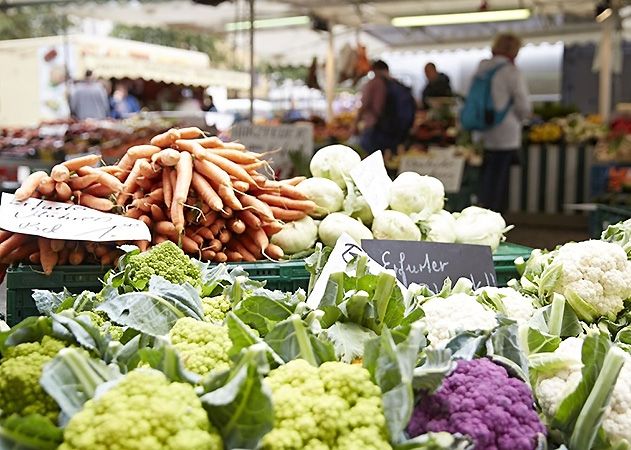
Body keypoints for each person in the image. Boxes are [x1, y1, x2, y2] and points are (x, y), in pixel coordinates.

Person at [476, 32, 532, 213]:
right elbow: (522, 104)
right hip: (506, 133)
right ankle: (495, 216)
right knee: (500, 180)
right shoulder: (511, 71)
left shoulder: (482, 68)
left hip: (484, 130)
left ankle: (481, 210)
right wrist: (525, 118)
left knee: (486, 177)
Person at [355, 60, 404, 154]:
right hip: (393, 128)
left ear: (374, 70)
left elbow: (364, 105)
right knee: (388, 159)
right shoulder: (396, 83)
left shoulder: (373, 83)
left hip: (374, 128)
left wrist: (355, 125)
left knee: (370, 160)